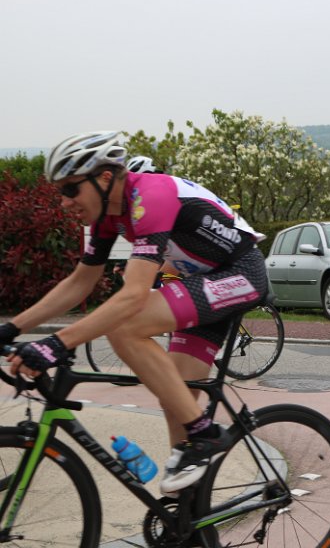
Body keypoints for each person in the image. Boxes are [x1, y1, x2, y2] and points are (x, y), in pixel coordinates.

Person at [0, 131, 268, 495]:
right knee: (176, 397)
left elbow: (133, 296)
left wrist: (56, 344)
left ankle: (206, 435)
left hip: (241, 274)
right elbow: (80, 282)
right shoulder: (109, 217)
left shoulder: (150, 196)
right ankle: (188, 509)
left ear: (104, 177)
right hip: (202, 282)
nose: (64, 201)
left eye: (70, 189)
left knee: (125, 325)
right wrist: (12, 328)